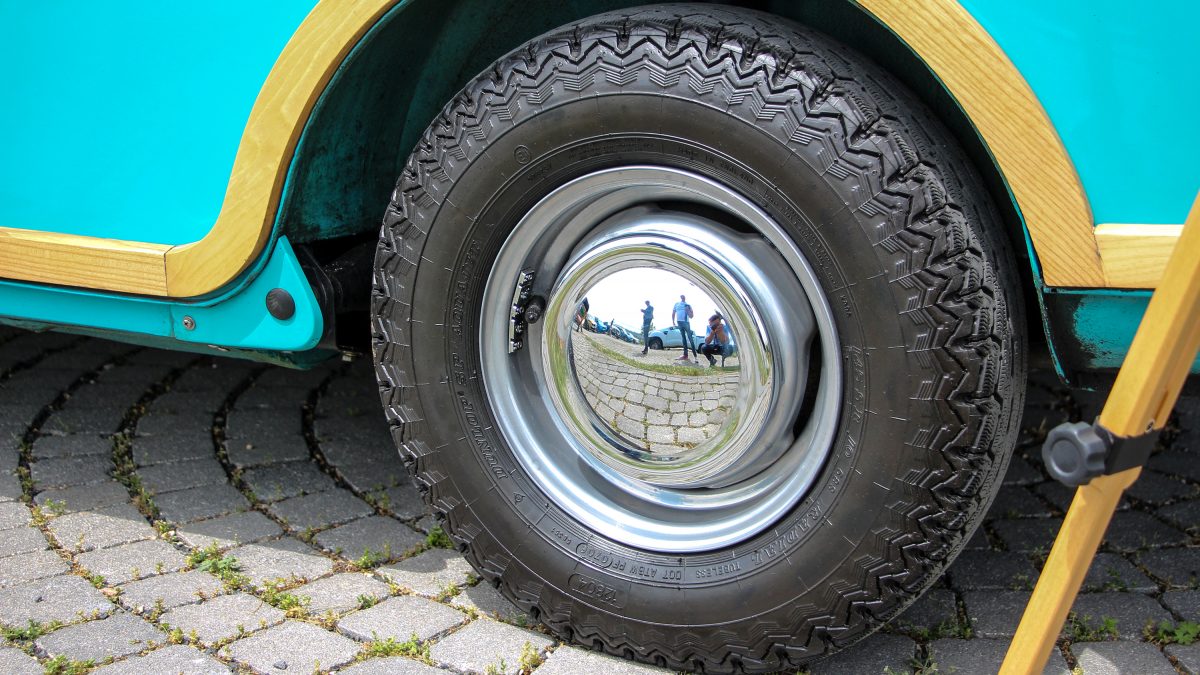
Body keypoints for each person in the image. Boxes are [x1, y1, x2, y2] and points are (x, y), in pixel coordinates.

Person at [672, 294, 694, 361]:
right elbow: (673, 313)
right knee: (683, 338)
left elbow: (691, 316)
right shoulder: (676, 304)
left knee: (690, 338)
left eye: (683, 296)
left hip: (686, 322)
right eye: (681, 296)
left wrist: (688, 311)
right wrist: (673, 322)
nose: (682, 297)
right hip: (679, 322)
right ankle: (685, 355)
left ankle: (695, 356)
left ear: (685, 298)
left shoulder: (688, 305)